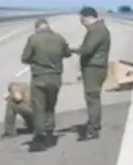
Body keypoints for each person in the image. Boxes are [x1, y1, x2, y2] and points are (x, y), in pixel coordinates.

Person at [21, 17, 72, 152]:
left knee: (38, 108)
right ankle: (50, 131)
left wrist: (36, 59)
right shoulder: (59, 38)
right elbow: (67, 53)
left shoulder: (33, 39)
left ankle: (39, 135)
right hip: (55, 78)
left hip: (39, 78)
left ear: (37, 27)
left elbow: (24, 58)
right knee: (50, 105)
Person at [72, 6, 111, 141]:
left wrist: (73, 50)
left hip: (94, 69)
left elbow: (87, 49)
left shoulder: (97, 30)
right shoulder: (98, 29)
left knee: (92, 98)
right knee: (93, 98)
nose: (81, 22)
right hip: (95, 68)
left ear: (88, 17)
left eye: (82, 19)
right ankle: (95, 124)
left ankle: (93, 129)